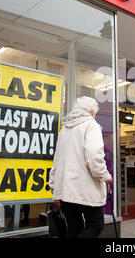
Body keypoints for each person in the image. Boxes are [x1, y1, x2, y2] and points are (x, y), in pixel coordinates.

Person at [48, 96, 113, 238]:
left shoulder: (64, 129)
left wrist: (52, 182)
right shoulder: (91, 125)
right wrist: (106, 177)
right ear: (90, 111)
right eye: (95, 113)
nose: (95, 116)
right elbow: (94, 157)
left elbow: (57, 159)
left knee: (73, 228)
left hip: (66, 190)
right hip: (87, 190)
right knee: (95, 225)